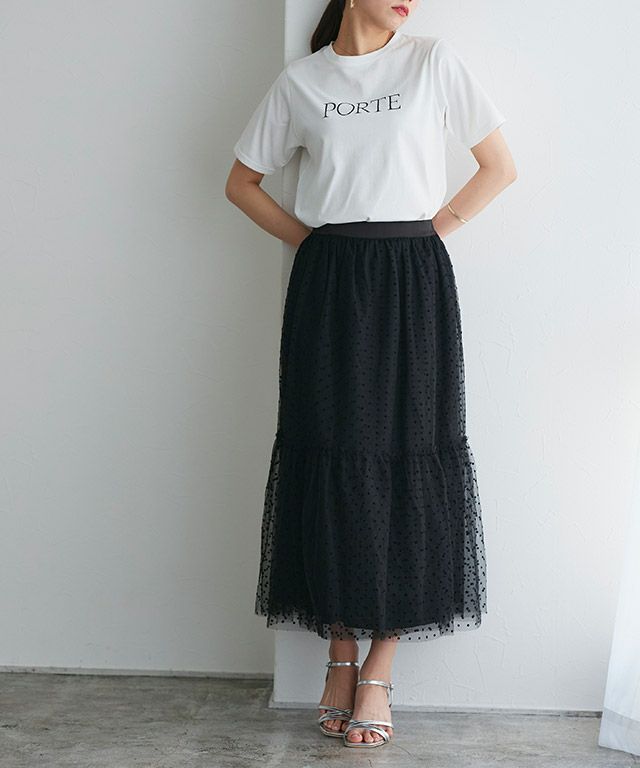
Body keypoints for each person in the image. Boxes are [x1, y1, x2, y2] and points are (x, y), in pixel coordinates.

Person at [225, 0, 517, 750]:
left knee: (410, 454)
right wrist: (316, 244)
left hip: (414, 277)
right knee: (329, 452)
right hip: (329, 281)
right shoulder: (301, 81)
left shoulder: (431, 61)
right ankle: (340, 654)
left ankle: (381, 667)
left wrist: (429, 234)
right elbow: (241, 182)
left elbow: (500, 167)